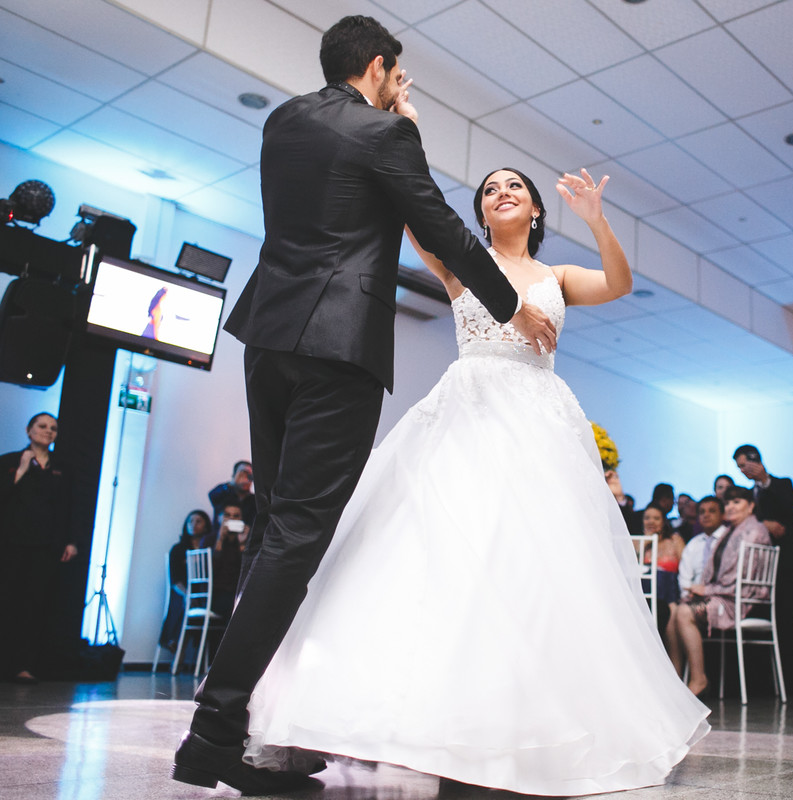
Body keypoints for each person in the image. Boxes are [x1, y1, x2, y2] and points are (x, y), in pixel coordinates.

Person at [172, 16, 557, 795]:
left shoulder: (283, 120)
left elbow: (328, 204)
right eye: (395, 76)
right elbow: (442, 228)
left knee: (277, 530)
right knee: (300, 539)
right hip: (335, 346)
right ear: (380, 68)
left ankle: (255, 728)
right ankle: (214, 735)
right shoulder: (387, 136)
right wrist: (511, 302)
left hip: (266, 335)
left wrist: (392, 122)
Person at [241, 163, 709, 795]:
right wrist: (400, 129)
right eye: (490, 190)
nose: (502, 193)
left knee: (533, 567)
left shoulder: (557, 277)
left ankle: (521, 720)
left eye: (514, 185)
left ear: (537, 210)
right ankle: (402, 716)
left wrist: (597, 221)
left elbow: (620, 284)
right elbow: (412, 215)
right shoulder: (462, 264)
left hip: (541, 426)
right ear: (482, 214)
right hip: (466, 414)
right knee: (436, 554)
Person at [665, 487, 771, 696]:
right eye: (729, 503)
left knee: (685, 612)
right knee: (676, 610)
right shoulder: (732, 532)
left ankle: (698, 679)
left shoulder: (753, 531)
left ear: (750, 506)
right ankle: (676, 679)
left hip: (741, 600)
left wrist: (707, 589)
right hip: (726, 595)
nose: (731, 507)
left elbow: (740, 579)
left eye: (737, 502)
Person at [0, 413, 78, 683]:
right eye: (42, 426)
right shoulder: (9, 461)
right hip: (11, 544)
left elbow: (66, 507)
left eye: (53, 428)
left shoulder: (61, 467)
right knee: (6, 600)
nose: (48, 431)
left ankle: (24, 665)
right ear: (29, 429)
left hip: (45, 546)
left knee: (34, 606)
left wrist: (70, 541)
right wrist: (20, 471)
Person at [733, 443, 793, 689]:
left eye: (745, 464)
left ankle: (792, 683)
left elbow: (787, 505)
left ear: (756, 460)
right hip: (759, 568)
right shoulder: (749, 494)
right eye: (739, 467)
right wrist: (765, 524)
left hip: (784, 563)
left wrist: (764, 478)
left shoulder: (781, 483)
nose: (743, 470)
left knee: (785, 621)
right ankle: (765, 684)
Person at [159, 510, 214, 657]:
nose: (193, 525)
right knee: (186, 602)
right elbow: (175, 580)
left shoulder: (210, 549)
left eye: (198, 521)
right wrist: (187, 594)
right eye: (191, 521)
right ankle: (176, 646)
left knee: (199, 602)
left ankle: (178, 648)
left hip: (204, 594)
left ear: (206, 526)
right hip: (181, 592)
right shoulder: (178, 550)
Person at [641, 505, 685, 636]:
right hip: (645, 595)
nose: (651, 522)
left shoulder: (674, 540)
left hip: (671, 595)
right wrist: (646, 541)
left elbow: (685, 565)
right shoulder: (638, 542)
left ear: (663, 521)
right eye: (647, 518)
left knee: (672, 613)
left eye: (656, 518)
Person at [679, 496, 726, 602]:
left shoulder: (729, 540)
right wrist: (686, 595)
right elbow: (685, 576)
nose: (706, 515)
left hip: (722, 596)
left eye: (712, 511)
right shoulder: (694, 543)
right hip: (694, 596)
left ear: (723, 514)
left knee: (682, 613)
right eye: (702, 512)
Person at [207, 460, 256, 530]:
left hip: (244, 539)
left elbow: (251, 526)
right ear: (234, 475)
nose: (245, 478)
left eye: (249, 476)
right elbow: (212, 495)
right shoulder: (223, 492)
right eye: (242, 474)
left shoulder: (254, 501)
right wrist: (233, 482)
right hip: (220, 538)